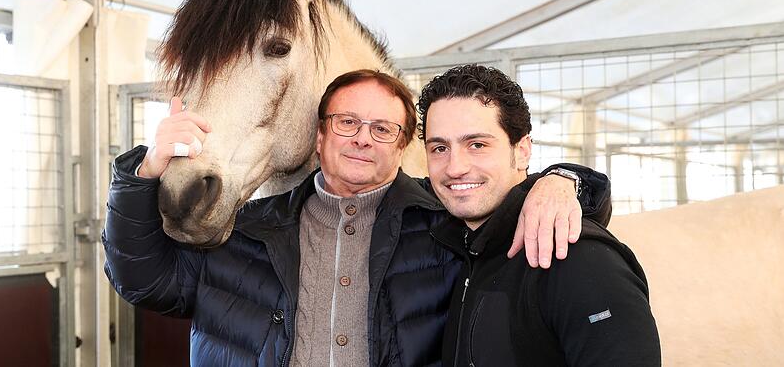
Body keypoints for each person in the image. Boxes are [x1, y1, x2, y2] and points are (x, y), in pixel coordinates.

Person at [103, 69, 611, 366]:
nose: (363, 137)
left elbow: (512, 198)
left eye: (383, 128)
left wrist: (564, 180)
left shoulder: (449, 226)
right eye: (347, 122)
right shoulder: (244, 229)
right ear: (319, 137)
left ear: (403, 146)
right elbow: (144, 282)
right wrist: (145, 171)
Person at [419, 65, 661, 366]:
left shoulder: (575, 257)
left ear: (522, 151)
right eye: (439, 148)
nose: (455, 167)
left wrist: (566, 178)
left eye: (477, 145)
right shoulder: (466, 246)